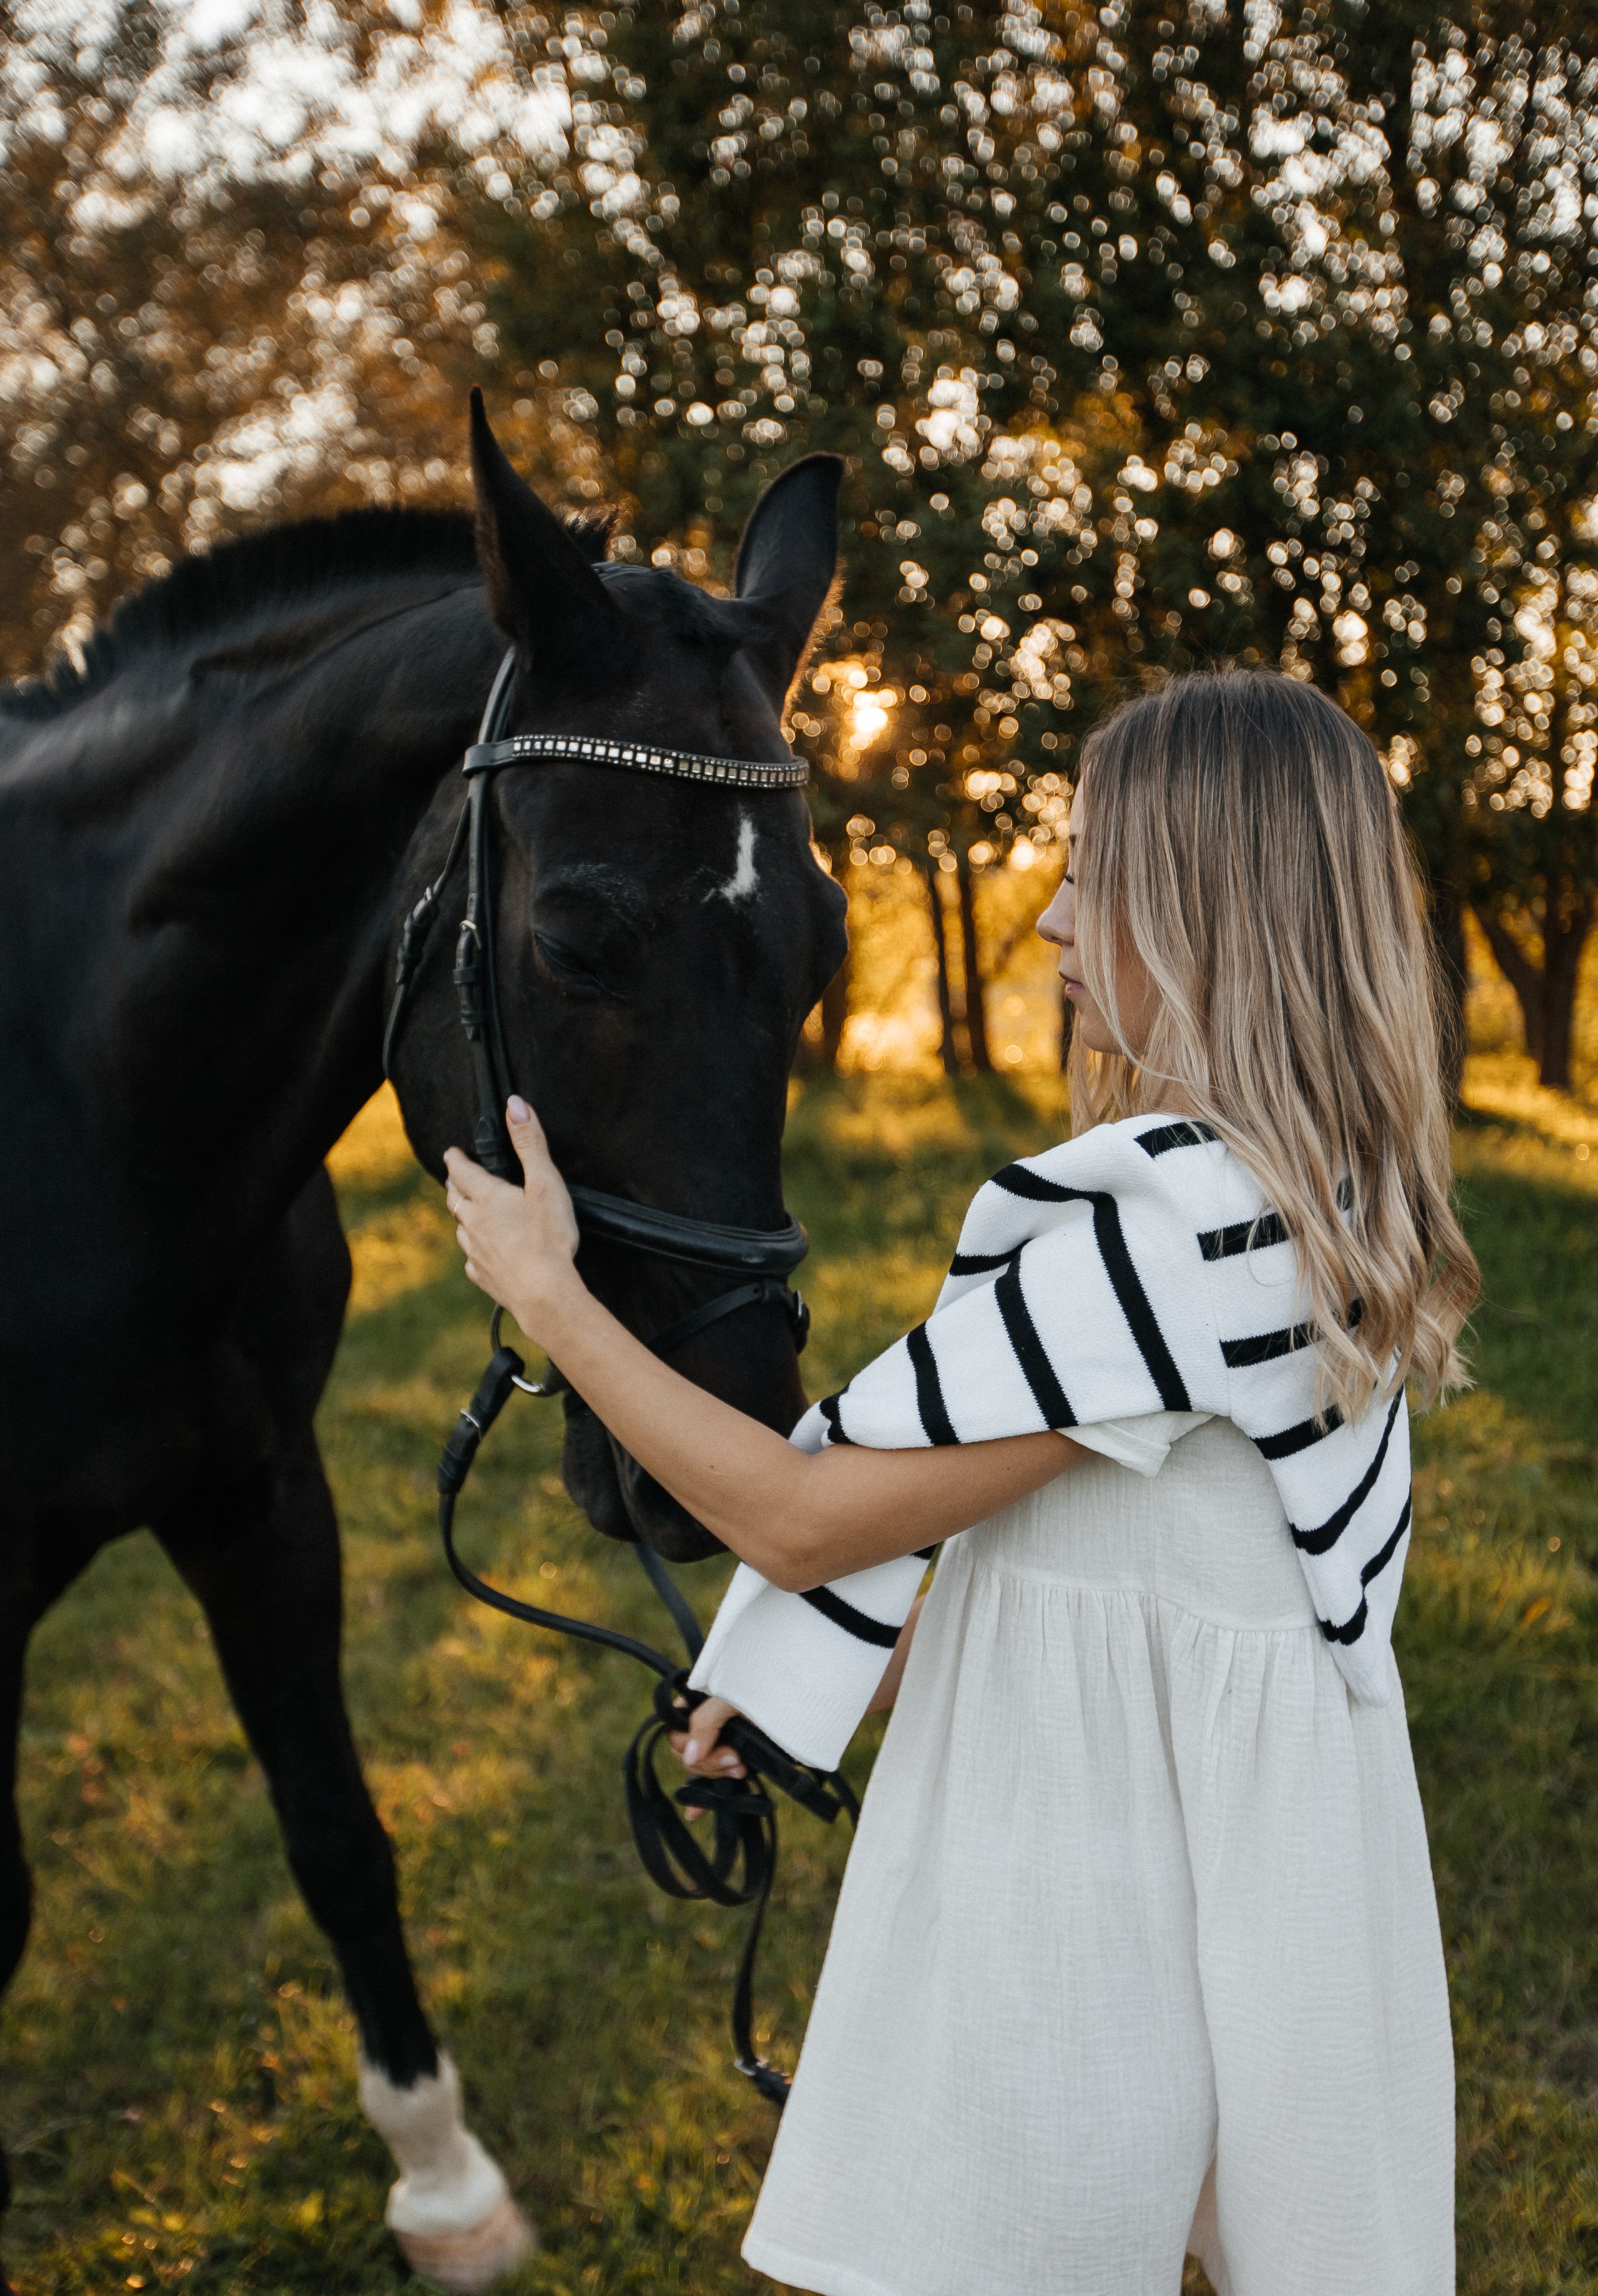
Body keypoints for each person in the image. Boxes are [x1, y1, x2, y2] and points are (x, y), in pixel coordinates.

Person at [444, 670, 1475, 2296]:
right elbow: (1123, 1593)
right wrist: (819, 1690)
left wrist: (550, 1294)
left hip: (1094, 1893)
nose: (1055, 920)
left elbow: (801, 1514)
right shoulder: (1307, 1194)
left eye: (1096, 874)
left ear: (1207, 914)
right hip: (1254, 1865)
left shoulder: (1159, 1237)